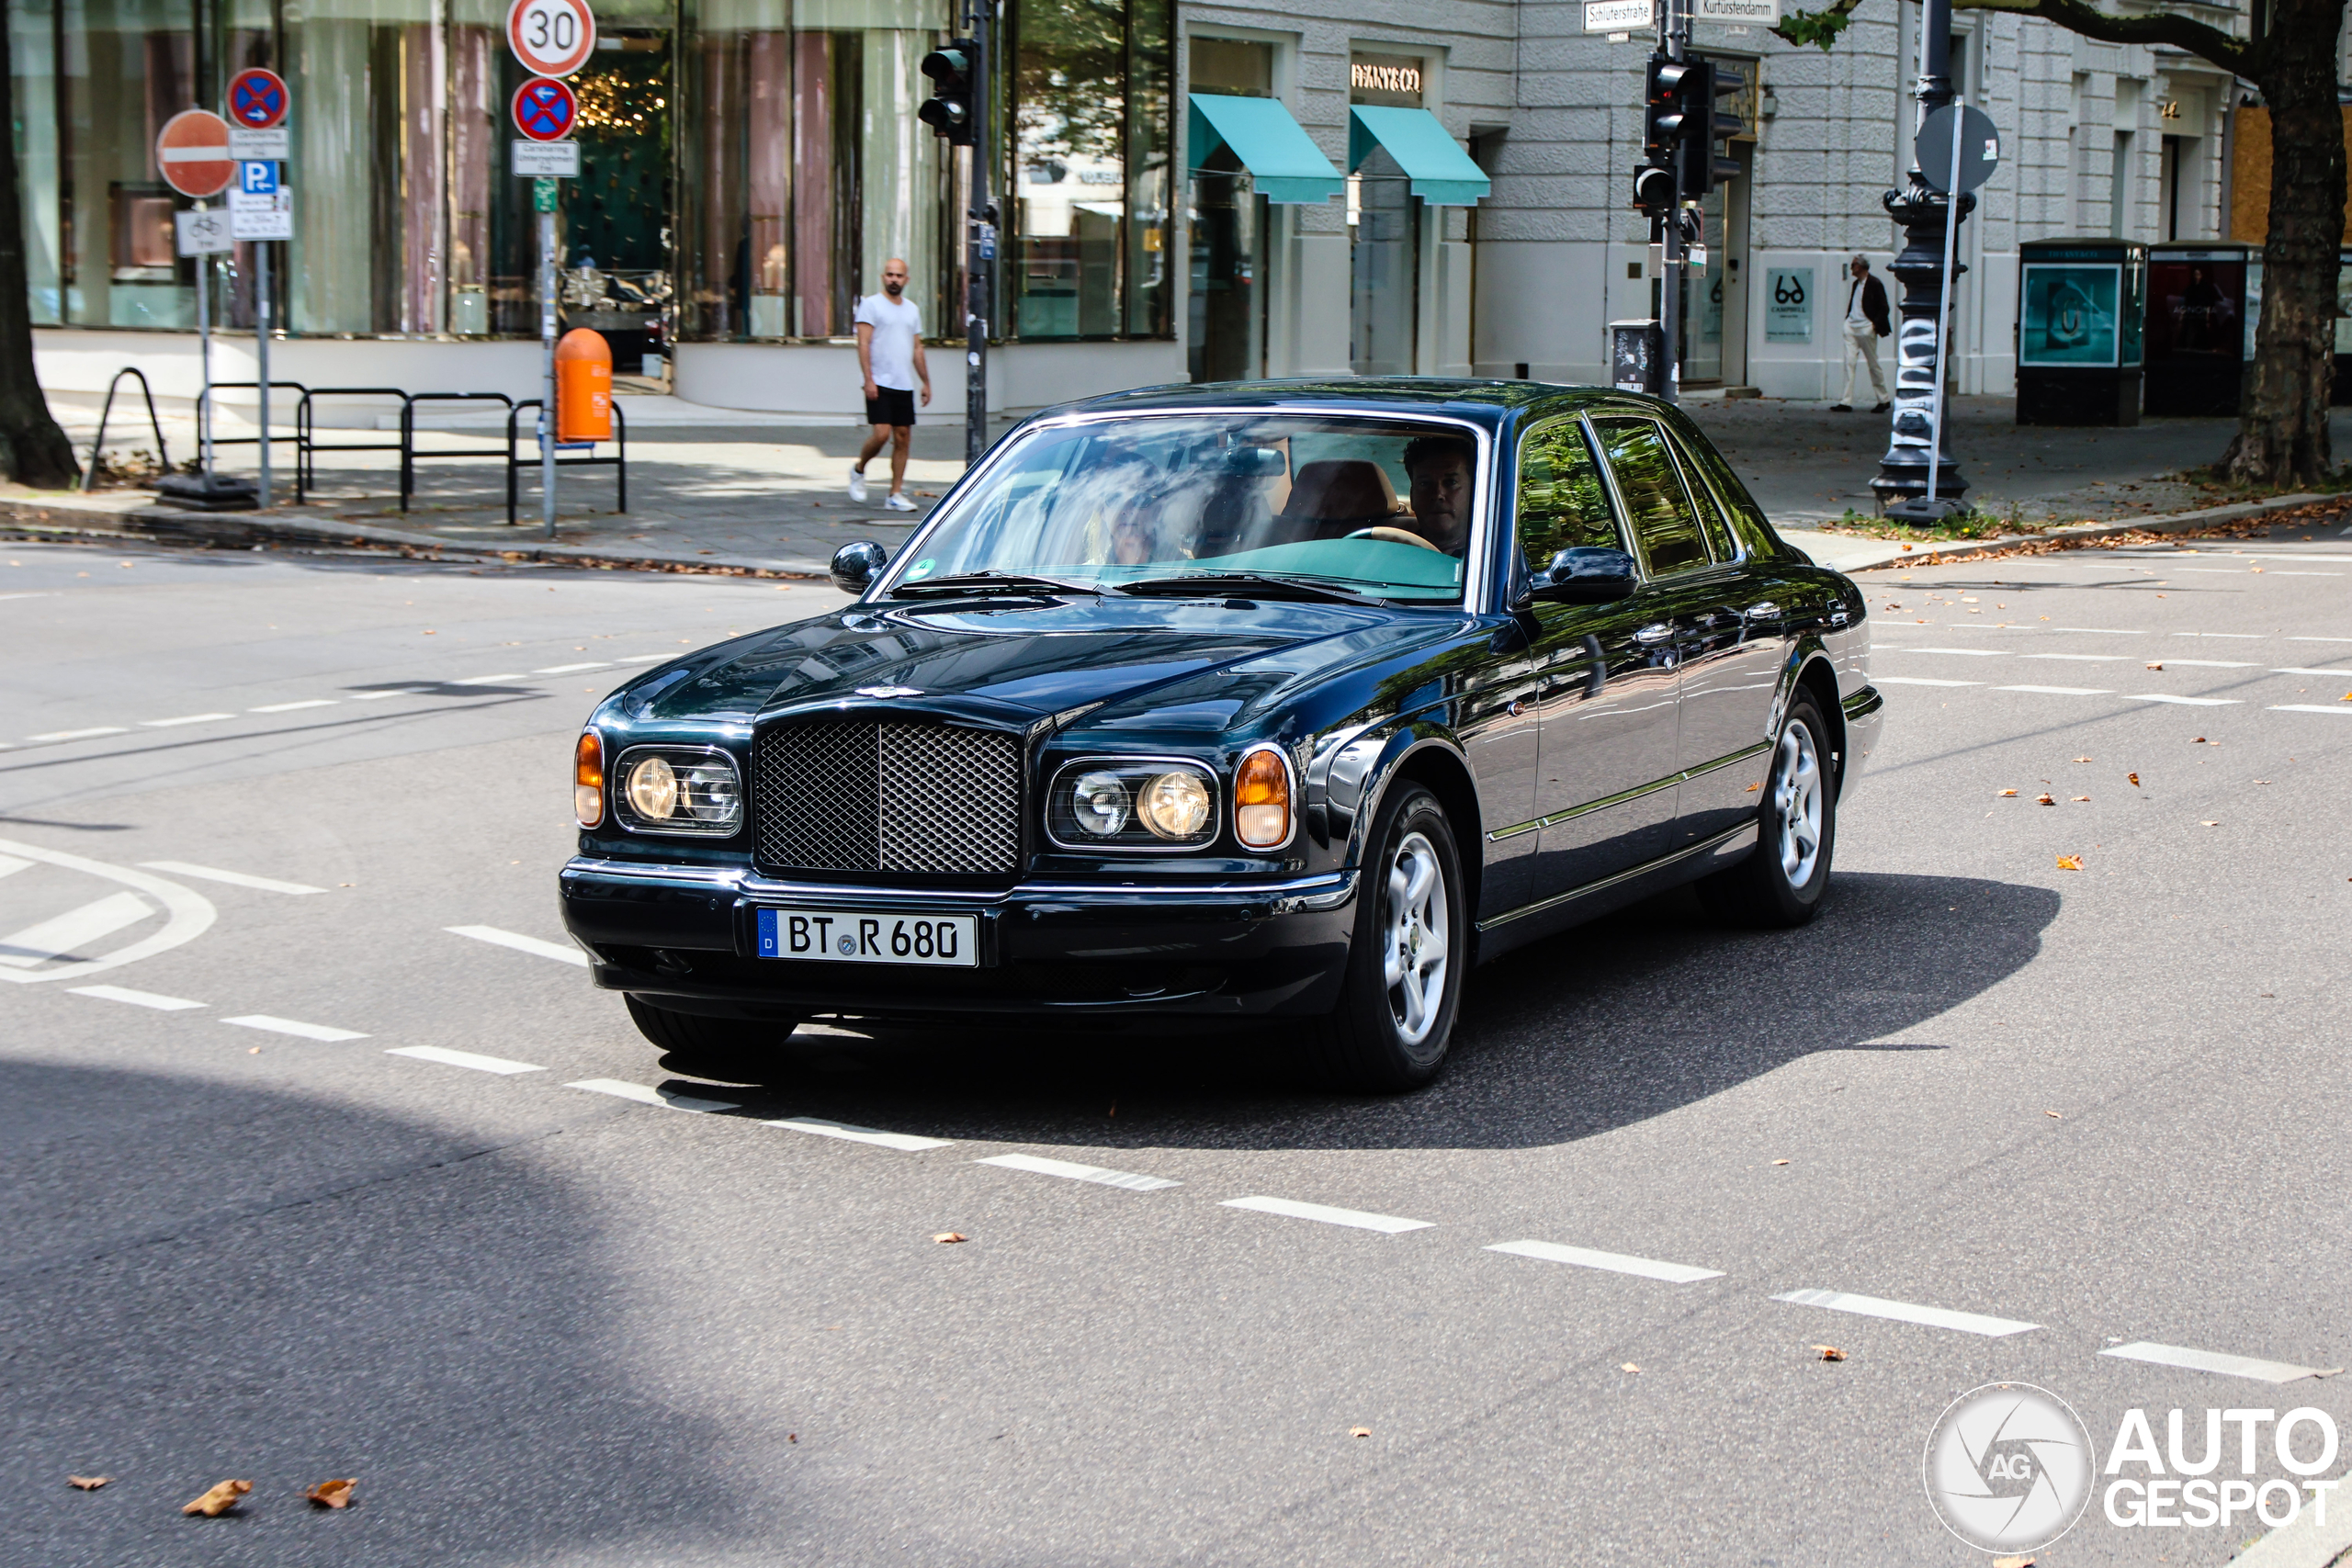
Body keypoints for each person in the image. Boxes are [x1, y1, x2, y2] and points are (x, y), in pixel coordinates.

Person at [849, 257, 931, 511]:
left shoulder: (911, 310)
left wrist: (926, 382)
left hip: (903, 383)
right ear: (883, 277)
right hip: (879, 382)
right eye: (890, 275)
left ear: (906, 279)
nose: (894, 279)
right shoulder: (871, 305)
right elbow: (863, 343)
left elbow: (917, 347)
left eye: (899, 275)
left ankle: (895, 493)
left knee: (903, 437)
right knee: (882, 434)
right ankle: (859, 469)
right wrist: (868, 379)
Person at [1834, 254, 1893, 413]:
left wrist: (1873, 325)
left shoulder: (1874, 283)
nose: (1851, 268)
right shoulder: (1856, 284)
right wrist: (1847, 321)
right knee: (1849, 363)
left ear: (1859, 267)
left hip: (1866, 328)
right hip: (1851, 328)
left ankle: (1883, 399)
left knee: (1873, 364)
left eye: (1853, 265)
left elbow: (1884, 307)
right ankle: (1845, 401)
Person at [1400, 434, 1475, 555]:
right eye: (1425, 484)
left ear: (1474, 493)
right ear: (1412, 496)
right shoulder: (1389, 549)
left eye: (1451, 482)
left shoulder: (1493, 557)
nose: (1437, 494)